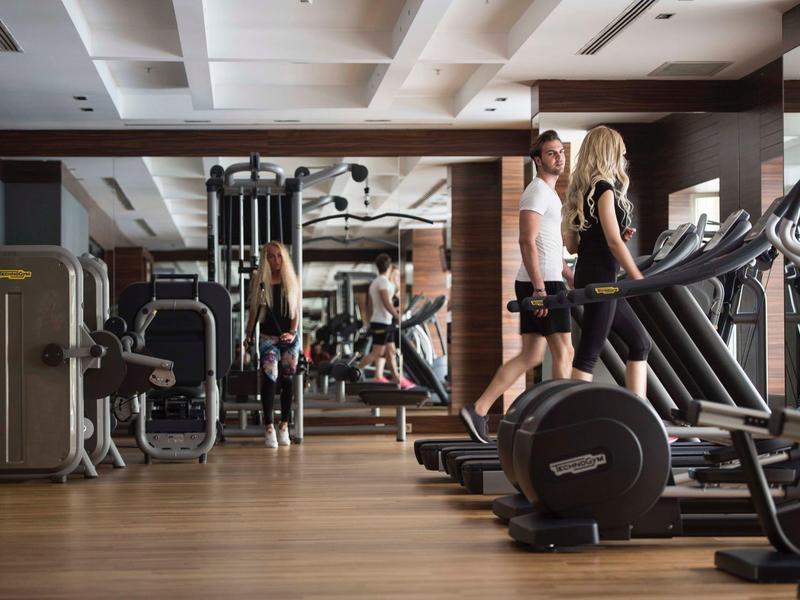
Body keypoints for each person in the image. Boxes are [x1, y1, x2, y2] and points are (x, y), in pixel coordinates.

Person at [460, 130, 575, 443]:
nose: (559, 157)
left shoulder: (550, 194)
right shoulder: (536, 191)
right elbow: (526, 239)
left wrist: (567, 274)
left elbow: (548, 244)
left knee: (531, 356)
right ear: (538, 160)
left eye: (561, 152)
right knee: (565, 351)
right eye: (552, 153)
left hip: (548, 279)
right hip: (541, 284)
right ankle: (558, 424)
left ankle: (479, 409)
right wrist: (540, 288)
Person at [562, 125, 651, 397]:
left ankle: (640, 414)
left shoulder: (582, 191)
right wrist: (637, 277)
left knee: (640, 343)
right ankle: (570, 421)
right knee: (589, 351)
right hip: (602, 277)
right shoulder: (604, 189)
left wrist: (615, 238)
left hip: (589, 272)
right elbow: (611, 241)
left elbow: (573, 245)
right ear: (610, 153)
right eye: (621, 153)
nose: (624, 159)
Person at [244, 241, 301, 448]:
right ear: (265, 259)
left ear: (284, 257)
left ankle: (284, 425)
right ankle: (269, 427)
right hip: (267, 337)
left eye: (278, 256)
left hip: (289, 338)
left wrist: (293, 333)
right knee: (270, 377)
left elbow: (295, 312)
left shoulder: (293, 280)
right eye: (270, 256)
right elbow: (253, 313)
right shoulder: (260, 281)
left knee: (287, 380)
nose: (275, 260)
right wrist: (248, 335)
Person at [358, 253, 415, 389]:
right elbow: (386, 302)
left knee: (391, 351)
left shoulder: (376, 282)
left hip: (383, 321)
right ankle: (353, 370)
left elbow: (372, 305)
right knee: (377, 352)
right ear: (389, 266)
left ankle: (397, 378)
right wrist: (396, 316)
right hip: (382, 321)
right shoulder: (382, 282)